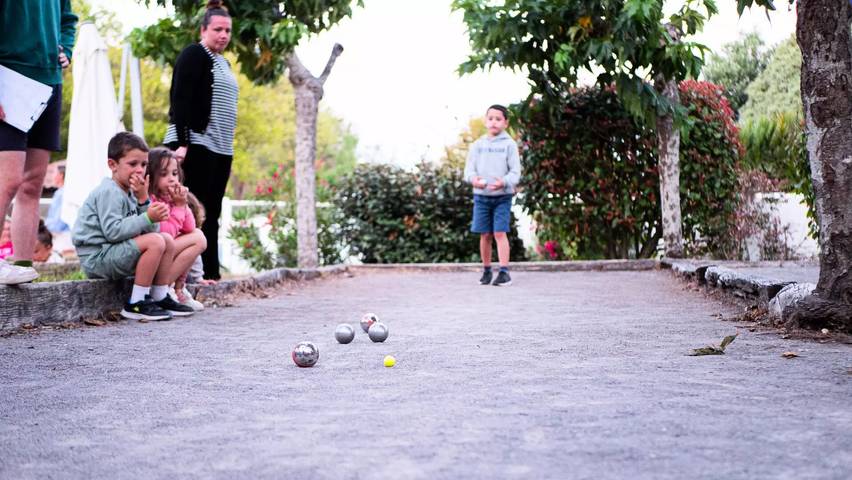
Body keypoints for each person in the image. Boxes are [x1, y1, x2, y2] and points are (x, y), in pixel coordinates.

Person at [72, 132, 195, 321]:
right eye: (133, 164)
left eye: (144, 165)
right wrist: (147, 217)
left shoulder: (131, 193)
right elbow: (113, 232)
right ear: (112, 165)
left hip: (113, 252)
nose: (140, 170)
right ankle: (136, 303)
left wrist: (144, 200)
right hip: (98, 257)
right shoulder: (109, 192)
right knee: (155, 241)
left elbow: (152, 231)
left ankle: (160, 295)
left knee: (166, 240)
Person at [0, 0, 77, 284]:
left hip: (48, 81)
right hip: (9, 76)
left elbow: (68, 19)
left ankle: (22, 267)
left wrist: (65, 49)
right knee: (7, 181)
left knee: (32, 184)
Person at [164, 0, 238, 282]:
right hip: (195, 144)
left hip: (220, 147)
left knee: (212, 211)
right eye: (218, 29)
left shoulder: (224, 62)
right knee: (192, 210)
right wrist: (183, 142)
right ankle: (188, 276)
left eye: (228, 31)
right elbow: (179, 98)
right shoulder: (194, 54)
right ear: (204, 29)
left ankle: (211, 274)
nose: (223, 35)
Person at [463, 104, 522, 287]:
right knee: (485, 234)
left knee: (499, 232)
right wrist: (474, 180)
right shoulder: (477, 145)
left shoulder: (509, 145)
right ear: (485, 121)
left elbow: (515, 173)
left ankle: (504, 272)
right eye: (490, 118)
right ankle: (487, 270)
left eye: (498, 119)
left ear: (505, 122)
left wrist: (503, 182)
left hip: (502, 197)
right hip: (481, 197)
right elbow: (468, 171)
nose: (494, 122)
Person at [146, 147, 207, 311]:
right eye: (164, 174)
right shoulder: (152, 201)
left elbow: (189, 227)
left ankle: (177, 288)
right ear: (151, 176)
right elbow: (167, 234)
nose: (172, 179)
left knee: (197, 235)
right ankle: (161, 289)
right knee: (198, 239)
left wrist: (182, 203)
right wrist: (179, 206)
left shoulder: (171, 199)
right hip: (152, 257)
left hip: (164, 255)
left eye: (174, 173)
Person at [44, 162, 73, 253]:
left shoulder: (61, 193)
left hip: (62, 236)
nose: (52, 176)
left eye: (54, 173)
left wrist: (45, 230)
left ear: (61, 175)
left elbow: (58, 218)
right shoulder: (67, 191)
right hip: (65, 234)